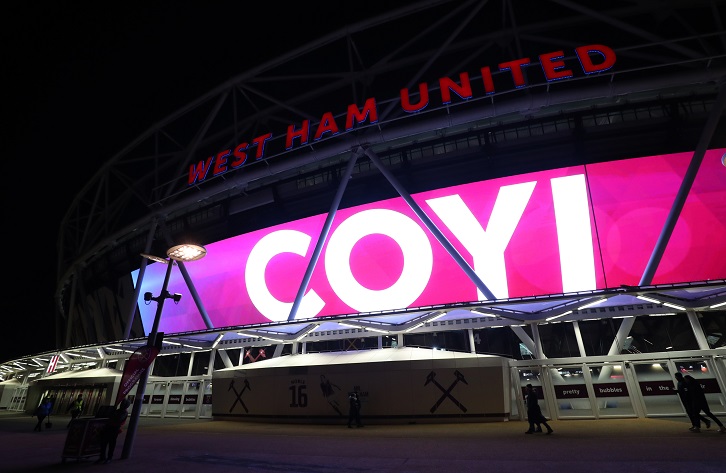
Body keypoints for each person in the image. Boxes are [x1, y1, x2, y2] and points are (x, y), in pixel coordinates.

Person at [96, 399, 131, 464]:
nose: (122, 404)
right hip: (108, 427)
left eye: (123, 403)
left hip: (114, 429)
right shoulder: (118, 411)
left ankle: (109, 457)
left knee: (111, 444)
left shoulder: (124, 412)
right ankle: (102, 457)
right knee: (104, 443)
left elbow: (118, 419)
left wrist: (113, 414)